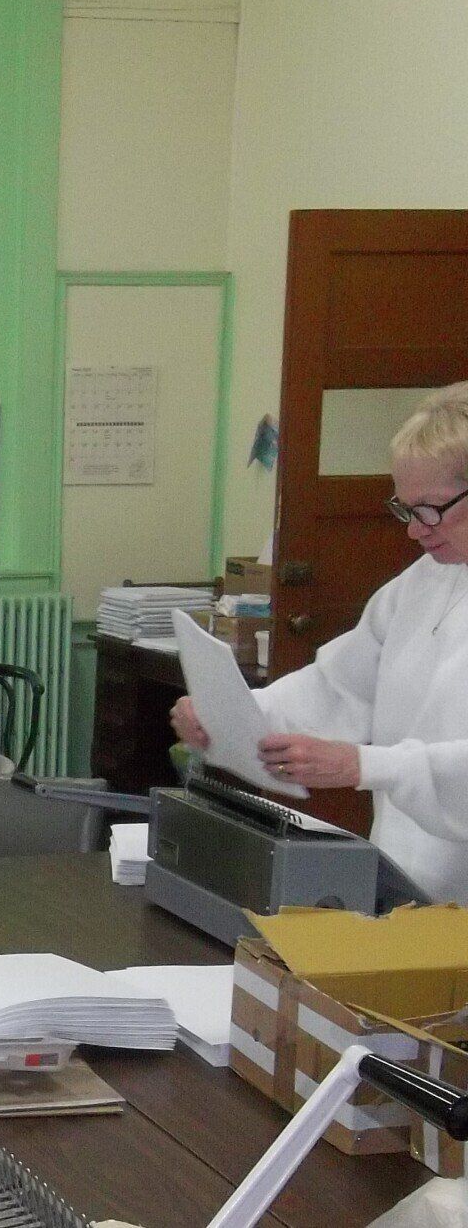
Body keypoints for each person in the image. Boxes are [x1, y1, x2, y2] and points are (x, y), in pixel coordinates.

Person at [172, 382, 468, 903]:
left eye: (432, 509)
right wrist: (228, 712)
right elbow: (338, 688)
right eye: (406, 509)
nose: (415, 531)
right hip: (410, 878)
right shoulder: (421, 585)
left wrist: (364, 765)